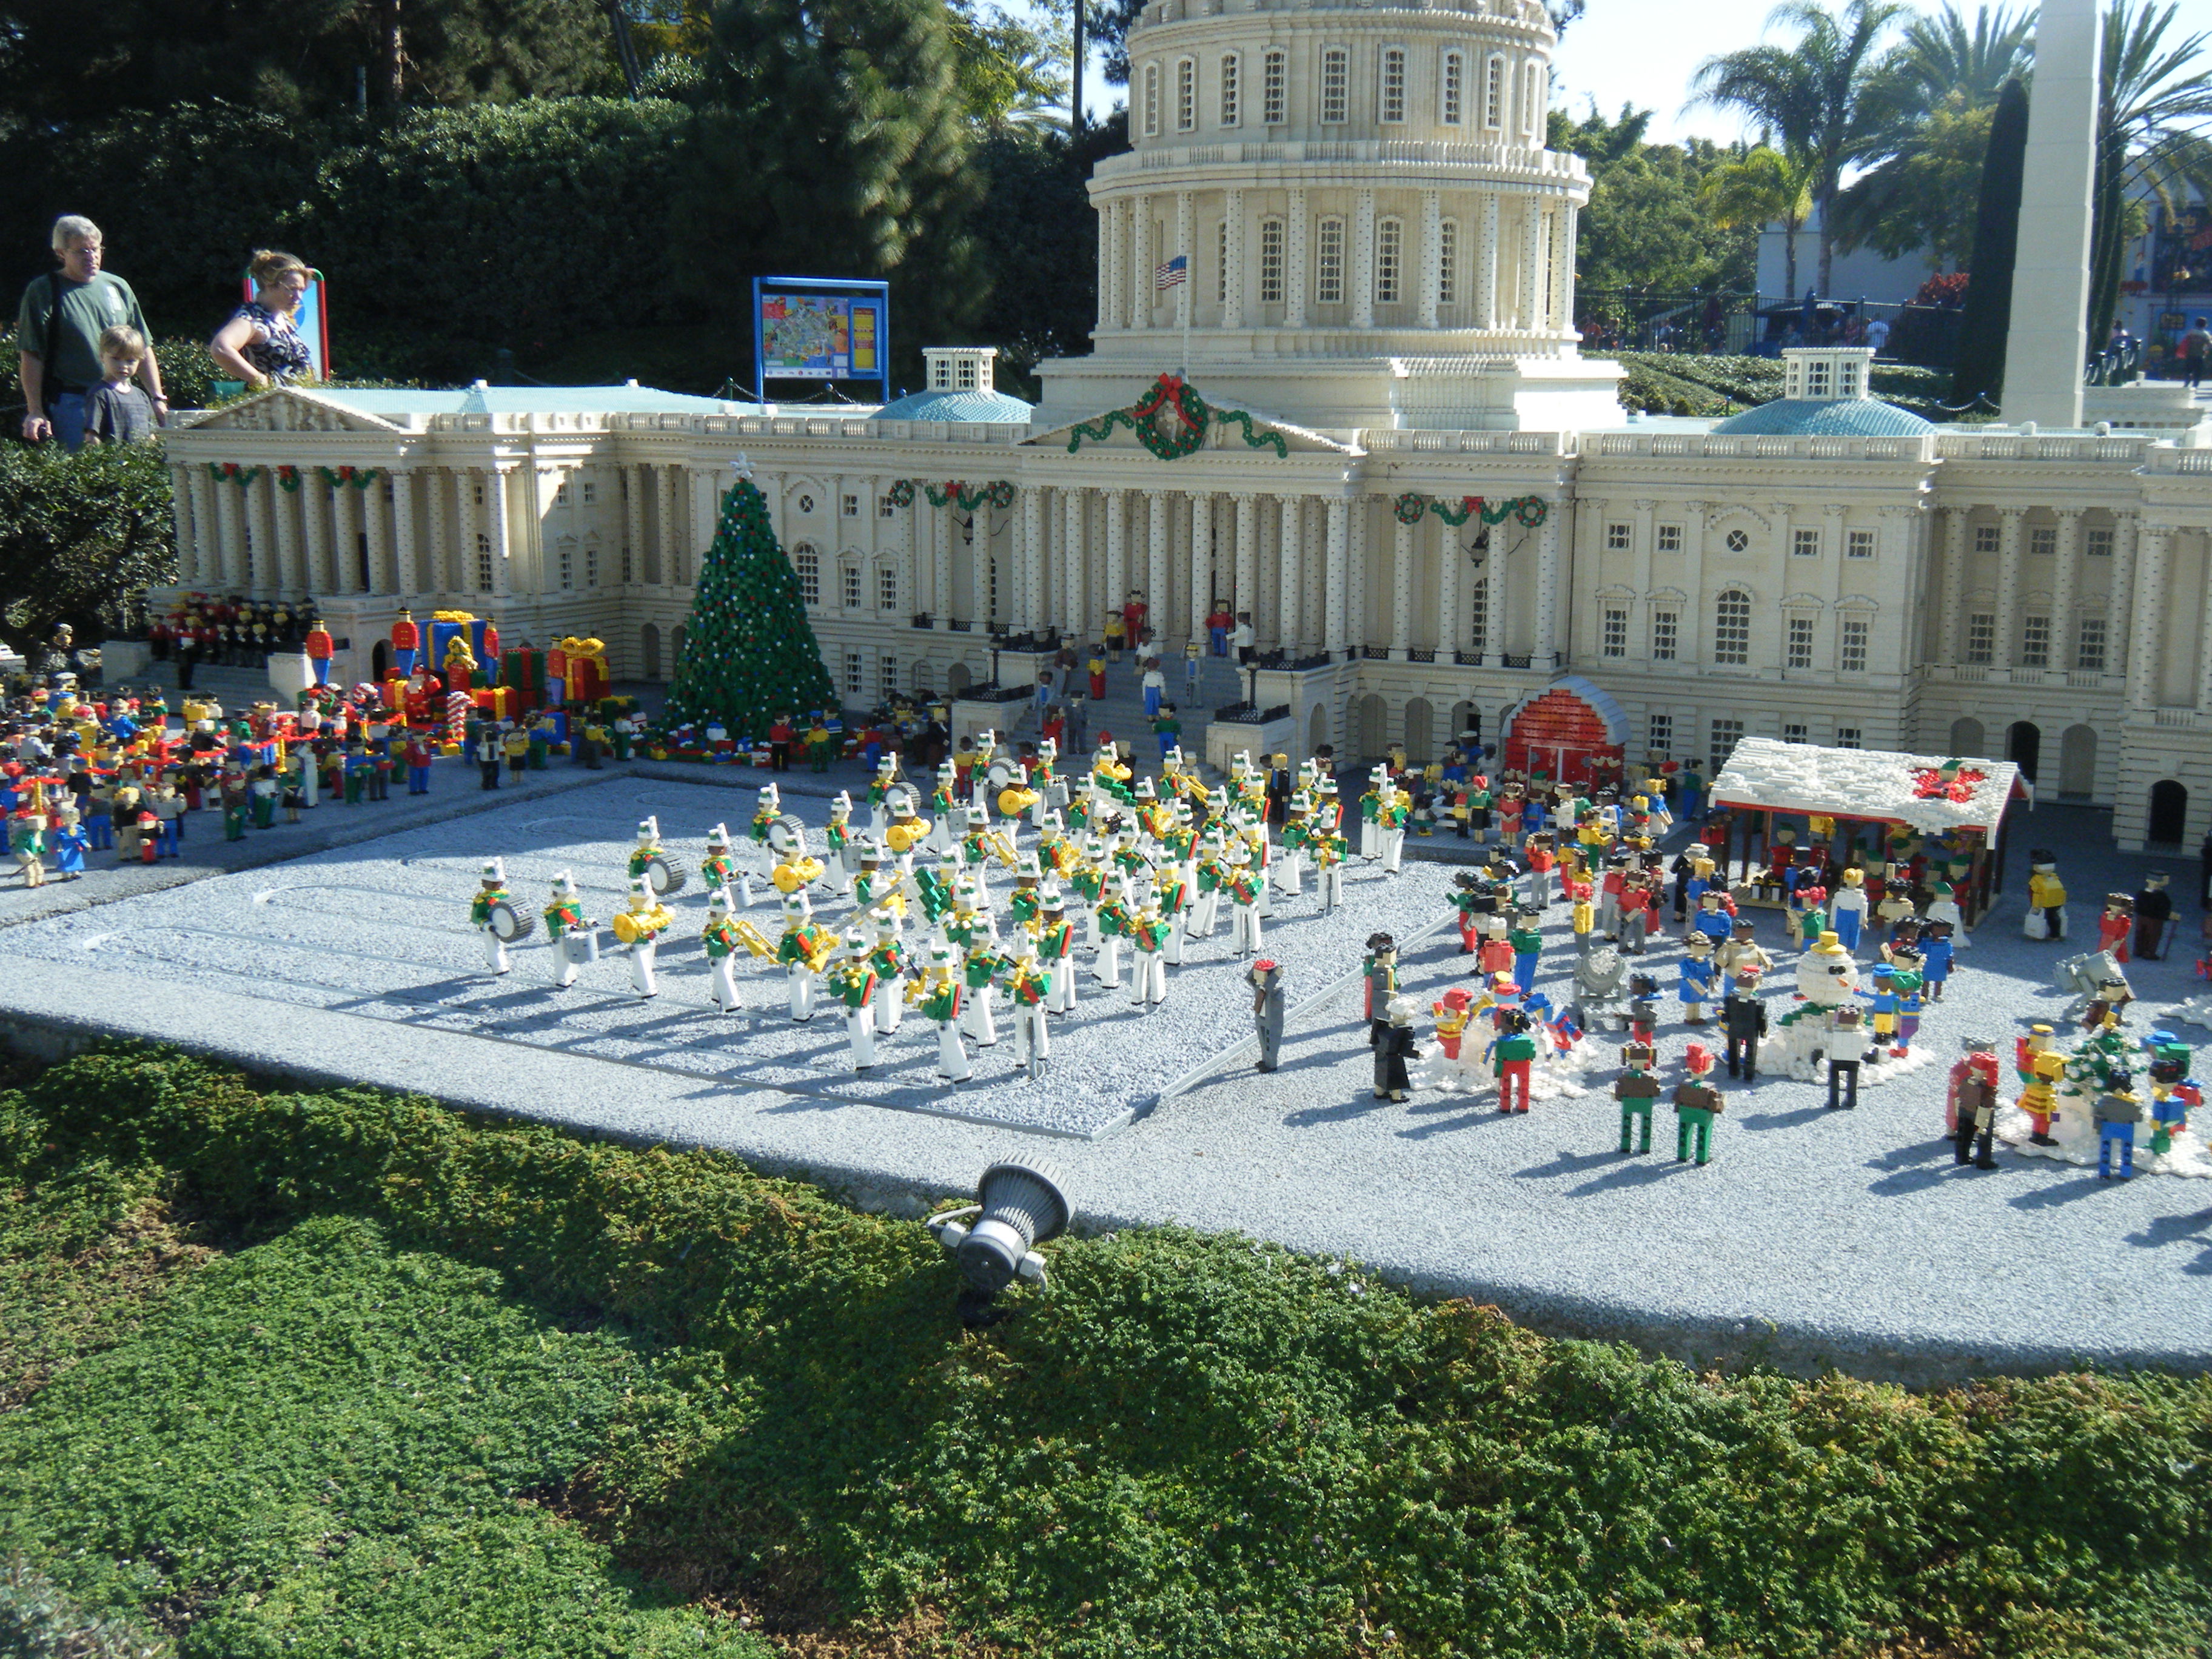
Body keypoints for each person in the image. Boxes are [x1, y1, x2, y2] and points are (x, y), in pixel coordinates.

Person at [16, 216, 165, 449]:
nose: (91, 257)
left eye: (95, 249)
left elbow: (142, 346)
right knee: (85, 467)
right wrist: (35, 410)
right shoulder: (44, 291)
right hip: (75, 403)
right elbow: (31, 354)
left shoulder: (117, 287)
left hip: (123, 398)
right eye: (81, 251)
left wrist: (157, 397)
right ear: (61, 253)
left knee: (133, 466)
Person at [209, 250, 315, 390]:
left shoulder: (282, 318)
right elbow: (220, 348)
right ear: (269, 285)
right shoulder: (251, 318)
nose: (298, 297)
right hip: (271, 401)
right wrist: (259, 379)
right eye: (292, 289)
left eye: (301, 290)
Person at [84, 326, 155, 444]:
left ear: (140, 360)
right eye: (116, 359)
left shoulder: (142, 396)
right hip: (112, 456)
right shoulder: (100, 394)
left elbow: (151, 435)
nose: (123, 366)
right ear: (102, 356)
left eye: (130, 360)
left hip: (140, 456)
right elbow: (91, 436)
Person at [2182, 317, 2211, 391]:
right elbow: (2209, 345)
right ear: (2205, 325)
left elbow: (2186, 341)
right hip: (2200, 356)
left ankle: (2187, 381)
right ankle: (2195, 385)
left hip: (2190, 354)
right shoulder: (2205, 334)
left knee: (2188, 370)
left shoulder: (2191, 332)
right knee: (2198, 371)